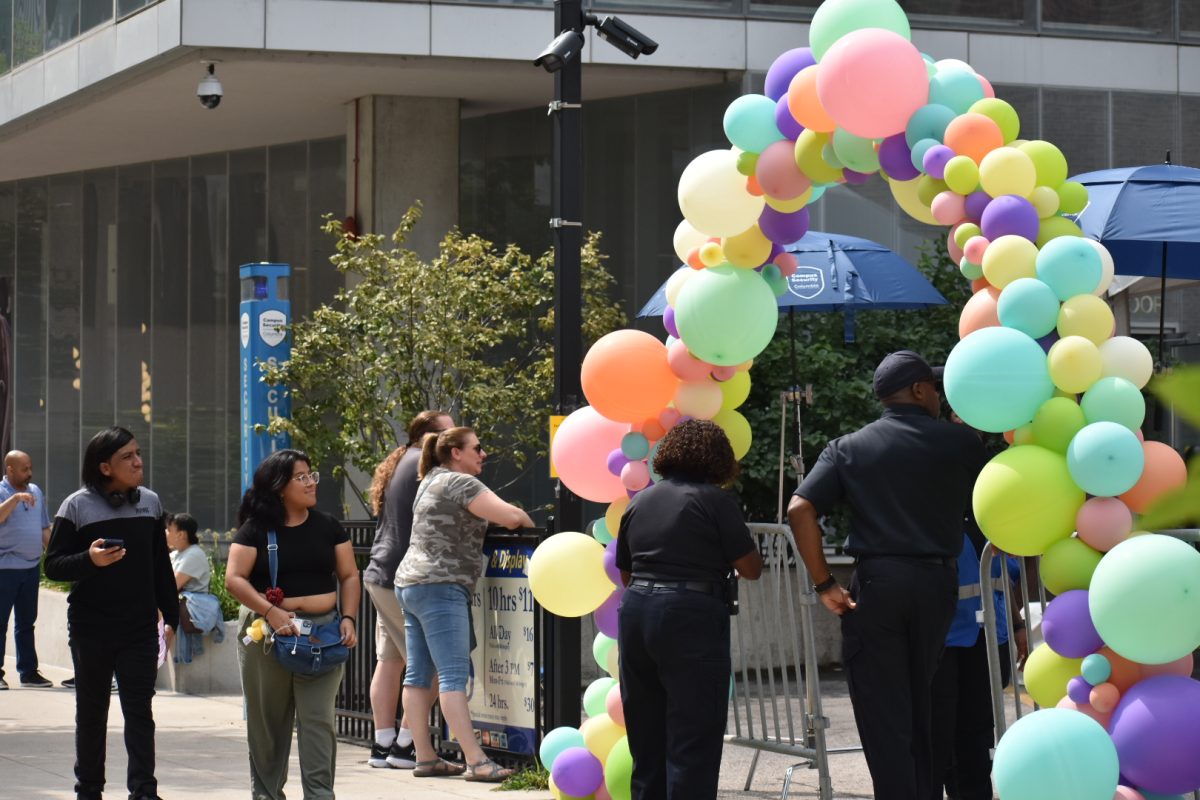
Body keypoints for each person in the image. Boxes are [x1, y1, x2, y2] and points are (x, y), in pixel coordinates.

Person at [786, 350, 986, 800]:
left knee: (884, 715)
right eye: (934, 388)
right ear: (919, 389)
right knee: (928, 707)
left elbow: (800, 508)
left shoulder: (848, 447)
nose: (938, 395)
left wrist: (824, 584)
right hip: (937, 585)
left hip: (876, 587)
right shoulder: (963, 444)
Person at [614, 419, 763, 800]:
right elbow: (750, 568)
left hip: (636, 614)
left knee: (646, 738)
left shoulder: (641, 500)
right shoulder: (714, 501)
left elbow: (626, 570)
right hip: (692, 614)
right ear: (717, 459)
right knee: (694, 738)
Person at [44, 426, 179, 800]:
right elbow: (53, 566)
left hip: (138, 629)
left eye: (138, 453)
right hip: (91, 629)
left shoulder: (150, 503)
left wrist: (171, 618)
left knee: (140, 712)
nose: (138, 462)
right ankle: (89, 789)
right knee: (92, 713)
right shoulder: (76, 506)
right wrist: (89, 559)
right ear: (105, 467)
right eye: (128, 457)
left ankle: (144, 791)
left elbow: (160, 567)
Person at [395, 426, 533, 782]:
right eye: (477, 448)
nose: (483, 454)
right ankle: (476, 761)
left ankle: (425, 757)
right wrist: (532, 531)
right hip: (441, 585)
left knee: (417, 675)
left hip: (410, 583)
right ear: (456, 452)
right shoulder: (463, 483)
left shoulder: (431, 479)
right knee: (453, 677)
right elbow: (512, 517)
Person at [224, 449, 361, 800]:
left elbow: (348, 575)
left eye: (310, 475)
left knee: (318, 720)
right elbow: (235, 579)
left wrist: (348, 617)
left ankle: (319, 795)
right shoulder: (255, 529)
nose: (310, 482)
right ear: (279, 486)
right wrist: (271, 613)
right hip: (269, 634)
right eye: (300, 477)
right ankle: (268, 795)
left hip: (323, 635)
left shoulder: (328, 526)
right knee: (269, 723)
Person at [363, 409, 454, 769]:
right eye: (448, 433)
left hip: (381, 574)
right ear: (429, 437)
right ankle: (405, 744)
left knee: (390, 661)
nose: (454, 437)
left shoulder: (405, 460)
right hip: (403, 577)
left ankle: (383, 743)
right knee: (429, 667)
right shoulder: (423, 467)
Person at [929, 529, 1028, 800]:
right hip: (942, 638)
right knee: (941, 728)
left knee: (979, 729)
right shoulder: (935, 515)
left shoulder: (990, 519)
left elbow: (1000, 577)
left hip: (989, 635)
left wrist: (1018, 623)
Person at [0, 449, 53, 689]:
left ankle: (29, 671)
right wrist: (15, 499)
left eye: (30, 468)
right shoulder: (2, 492)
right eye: (24, 469)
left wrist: (55, 553)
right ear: (10, 469)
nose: (29, 473)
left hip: (31, 568)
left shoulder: (36, 492)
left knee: (26, 622)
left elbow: (44, 527)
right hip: (6, 568)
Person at [165, 511, 224, 664]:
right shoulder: (177, 553)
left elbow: (171, 586)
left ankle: (153, 662)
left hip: (190, 606)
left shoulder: (193, 555)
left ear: (181, 534)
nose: (166, 533)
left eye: (169, 530)